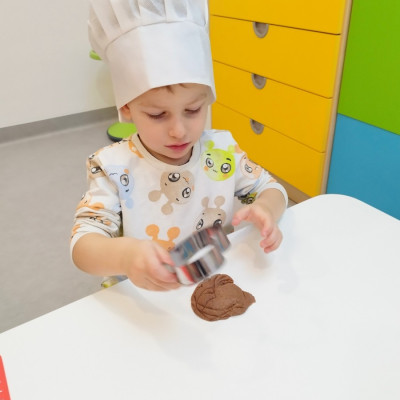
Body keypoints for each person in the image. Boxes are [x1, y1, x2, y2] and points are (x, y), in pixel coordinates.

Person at [71, 0, 288, 291]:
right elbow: (83, 244)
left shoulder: (221, 151)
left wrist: (266, 208)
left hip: (214, 283)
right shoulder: (112, 168)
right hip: (144, 295)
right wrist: (126, 256)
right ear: (126, 108)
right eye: (157, 114)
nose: (179, 131)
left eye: (193, 110)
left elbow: (271, 188)